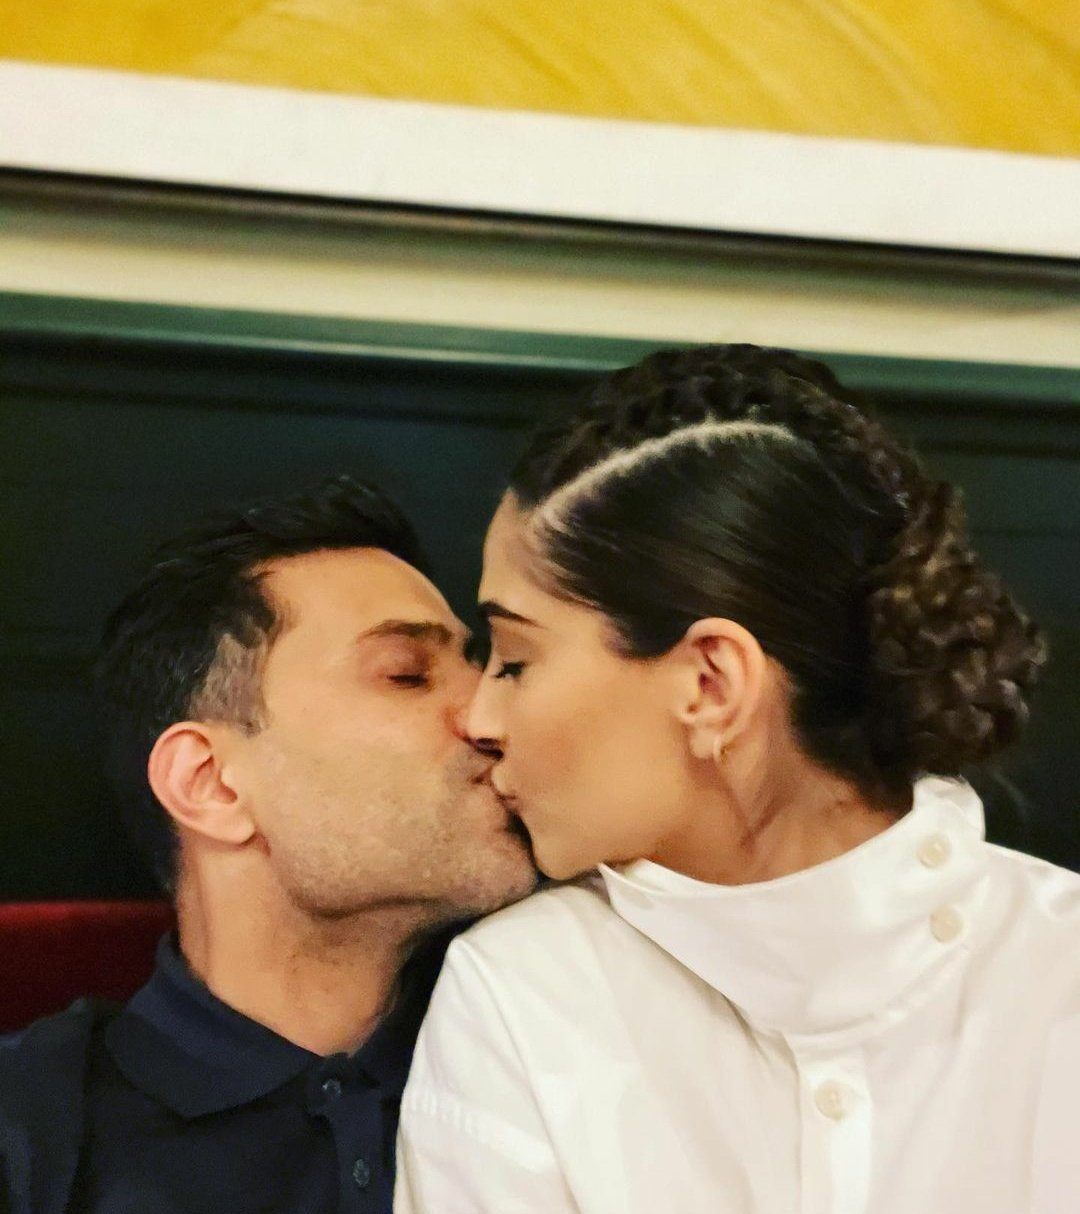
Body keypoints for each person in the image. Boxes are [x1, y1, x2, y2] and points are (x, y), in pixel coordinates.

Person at [397, 345, 1080, 1214]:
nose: (480, 718)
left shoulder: (1060, 974)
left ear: (711, 684)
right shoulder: (525, 992)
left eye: (517, 660)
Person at [0, 475, 537, 1214]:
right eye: (407, 675)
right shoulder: (29, 1133)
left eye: (487, 665)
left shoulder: (558, 1059)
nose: (491, 713)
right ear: (211, 784)